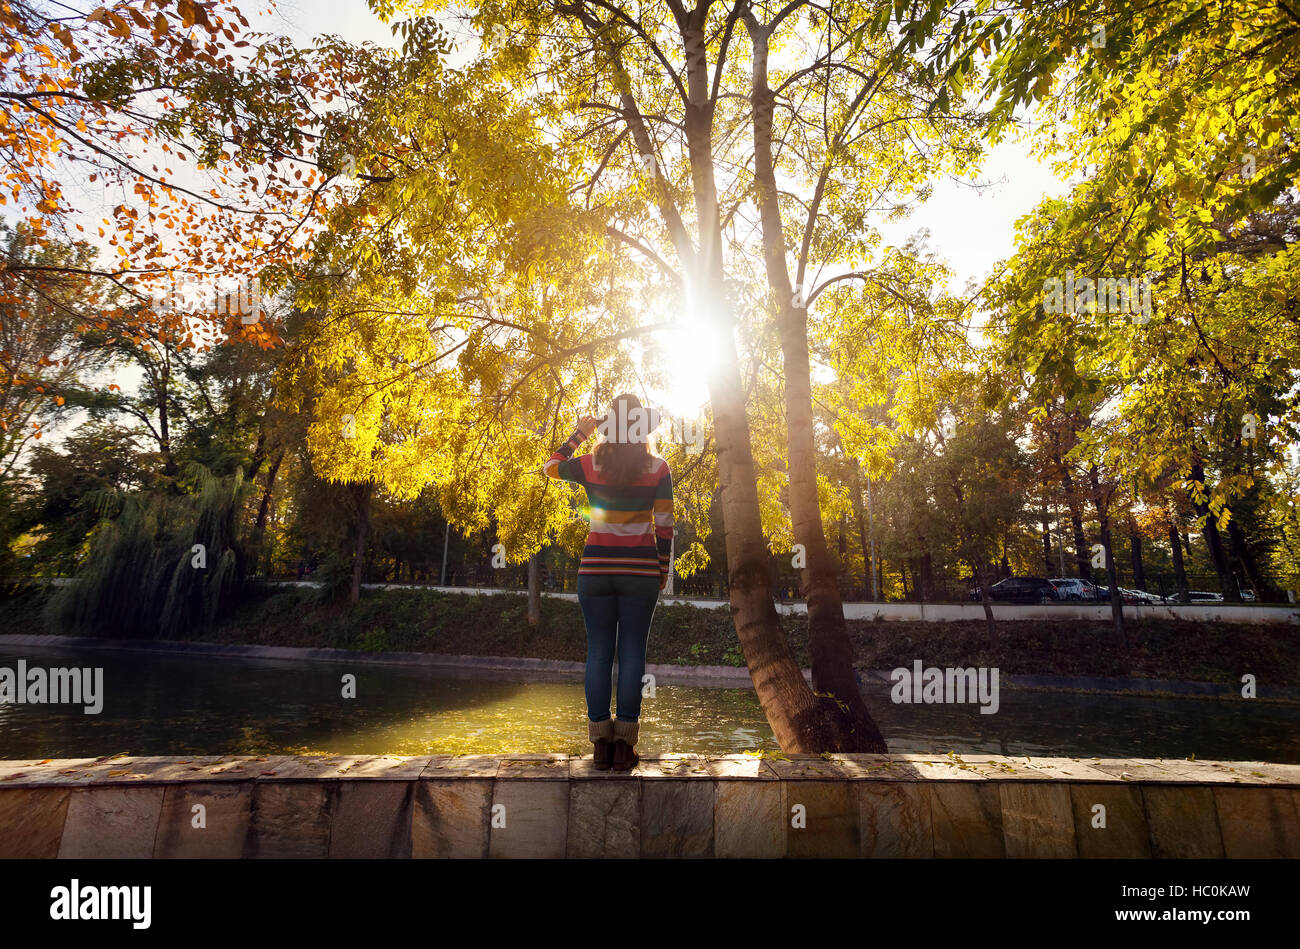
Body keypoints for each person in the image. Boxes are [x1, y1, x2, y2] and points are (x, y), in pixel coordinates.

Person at [543, 393, 673, 771]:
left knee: (599, 653)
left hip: (596, 573)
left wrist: (579, 434)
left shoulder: (590, 463)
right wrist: (661, 570)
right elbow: (665, 527)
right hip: (640, 575)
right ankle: (623, 748)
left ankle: (601, 744)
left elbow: (551, 467)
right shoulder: (658, 468)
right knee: (632, 654)